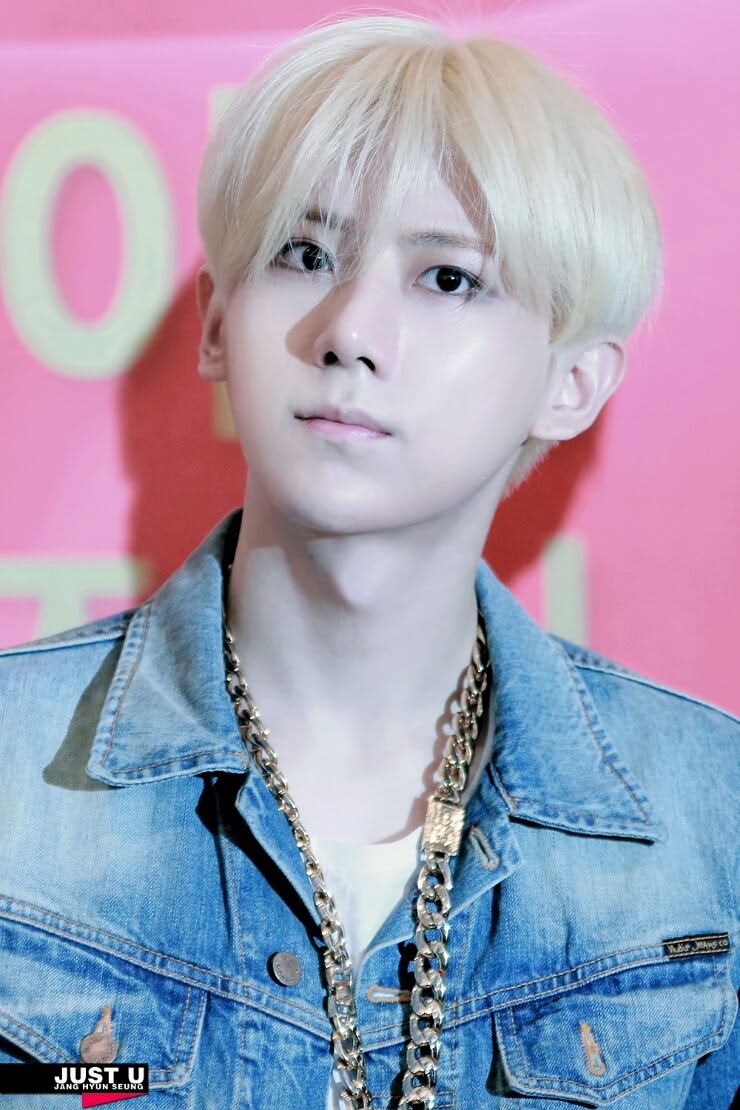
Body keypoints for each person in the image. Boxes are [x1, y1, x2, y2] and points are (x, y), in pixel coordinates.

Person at [0, 12, 737, 1110]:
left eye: (448, 279)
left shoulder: (709, 814)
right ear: (216, 324)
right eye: (306, 256)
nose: (349, 330)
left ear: (570, 383)